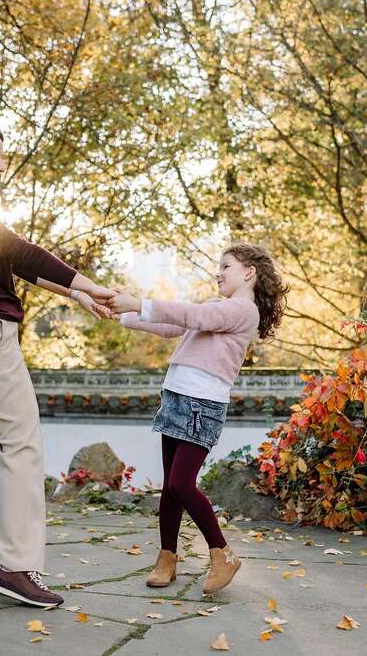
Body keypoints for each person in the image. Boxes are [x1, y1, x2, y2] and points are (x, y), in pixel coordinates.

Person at [0, 116, 114, 608]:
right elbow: (19, 250)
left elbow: (12, 263)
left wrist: (76, 295)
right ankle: (14, 567)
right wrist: (86, 283)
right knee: (23, 444)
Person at [107, 244, 289, 594]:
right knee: (170, 489)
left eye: (225, 266)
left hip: (201, 405)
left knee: (181, 484)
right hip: (176, 396)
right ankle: (167, 557)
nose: (217, 273)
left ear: (249, 272)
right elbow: (171, 326)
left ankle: (222, 552)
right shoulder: (216, 306)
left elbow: (195, 317)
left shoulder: (242, 310)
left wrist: (137, 302)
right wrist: (121, 315)